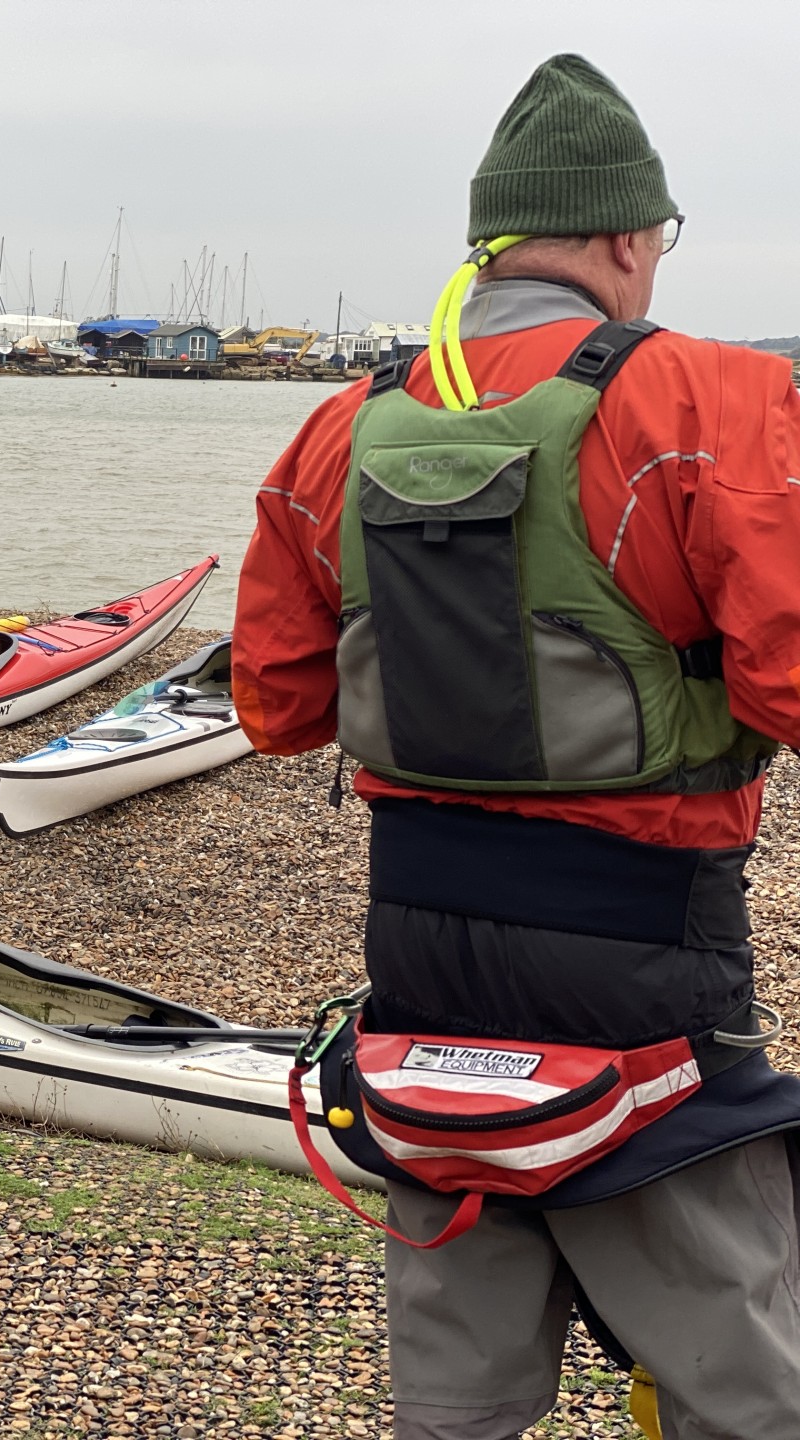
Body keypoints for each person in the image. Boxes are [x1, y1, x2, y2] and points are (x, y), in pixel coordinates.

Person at [232, 55, 800, 1440]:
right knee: (742, 1379)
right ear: (623, 238)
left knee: (458, 1398)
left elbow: (278, 708)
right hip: (644, 962)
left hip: (420, 959)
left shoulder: (342, 425)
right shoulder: (710, 405)